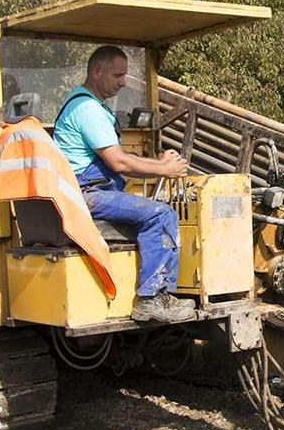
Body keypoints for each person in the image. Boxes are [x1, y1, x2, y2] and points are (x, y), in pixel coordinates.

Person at [53, 45, 196, 323]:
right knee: (161, 213)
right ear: (96, 72)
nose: (123, 81)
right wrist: (164, 169)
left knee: (154, 210)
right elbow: (118, 163)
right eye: (118, 75)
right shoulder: (87, 110)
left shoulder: (87, 106)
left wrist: (157, 163)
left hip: (89, 190)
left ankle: (158, 294)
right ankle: (151, 299)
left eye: (125, 75)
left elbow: (119, 163)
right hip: (86, 194)